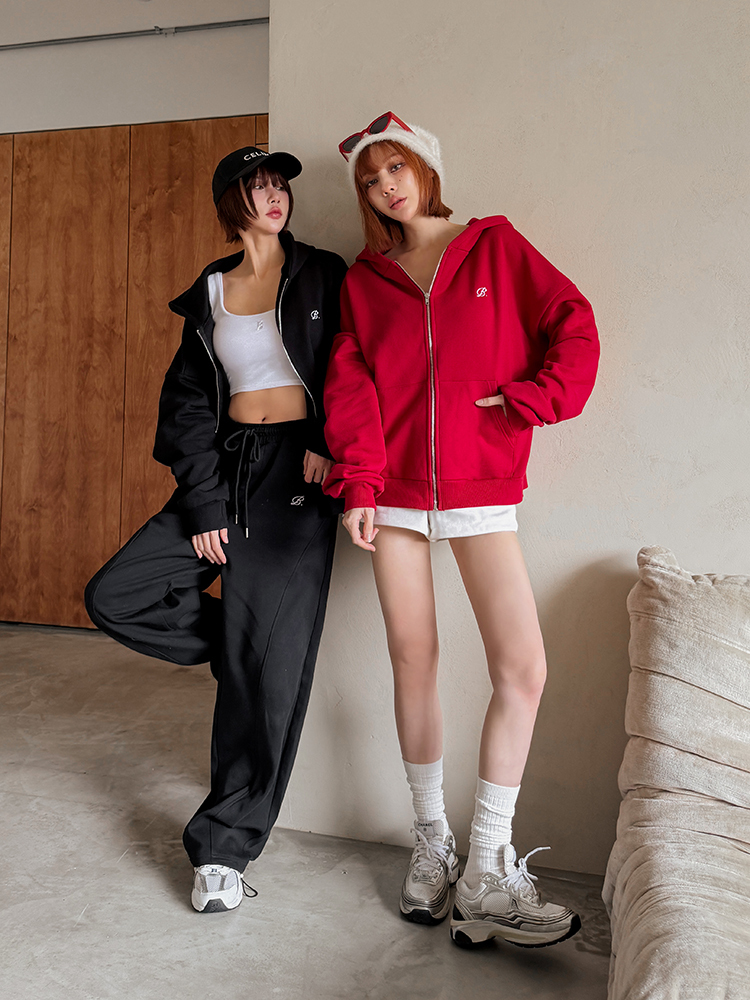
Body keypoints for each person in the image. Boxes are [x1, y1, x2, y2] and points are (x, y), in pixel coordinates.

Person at [323, 113, 600, 948]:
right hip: (393, 495)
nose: (386, 188)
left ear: (425, 170)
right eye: (370, 180)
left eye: (396, 169)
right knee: (414, 660)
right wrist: (360, 482)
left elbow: (574, 322)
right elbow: (351, 382)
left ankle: (485, 864)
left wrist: (531, 401)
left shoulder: (494, 248)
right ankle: (432, 843)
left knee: (523, 669)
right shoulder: (365, 280)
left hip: (480, 487)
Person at [85, 147, 347, 913]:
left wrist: (328, 440)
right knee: (116, 593)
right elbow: (189, 405)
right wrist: (202, 505)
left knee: (266, 677)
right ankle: (241, 648)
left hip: (297, 478)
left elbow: (352, 363)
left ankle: (222, 851)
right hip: (227, 469)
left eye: (280, 184)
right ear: (232, 202)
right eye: (258, 186)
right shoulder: (210, 289)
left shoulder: (322, 274)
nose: (275, 196)